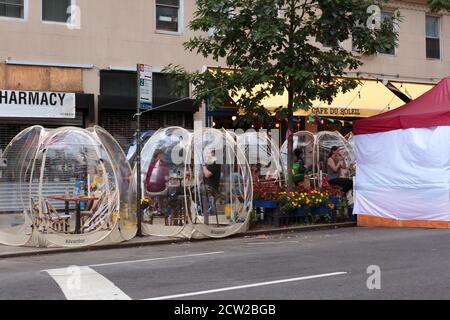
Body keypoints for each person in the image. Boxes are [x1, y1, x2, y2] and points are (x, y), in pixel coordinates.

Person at [202, 148, 221, 224]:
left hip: (211, 188)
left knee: (197, 191)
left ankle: (205, 210)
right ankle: (203, 209)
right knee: (193, 189)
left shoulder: (215, 163)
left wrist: (204, 165)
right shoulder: (211, 163)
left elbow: (207, 174)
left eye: (207, 153)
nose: (206, 155)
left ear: (213, 154)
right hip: (207, 187)